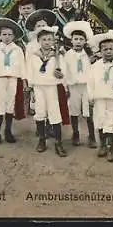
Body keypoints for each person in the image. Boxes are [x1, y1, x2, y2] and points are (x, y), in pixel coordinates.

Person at [26, 25, 70, 157]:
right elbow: (30, 72)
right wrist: (31, 87)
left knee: (54, 113)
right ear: (39, 41)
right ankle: (42, 140)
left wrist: (60, 74)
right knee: (40, 112)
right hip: (39, 87)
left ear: (53, 41)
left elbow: (64, 71)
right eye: (44, 39)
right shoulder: (34, 56)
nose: (47, 42)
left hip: (52, 87)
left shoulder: (57, 56)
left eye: (49, 39)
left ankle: (58, 142)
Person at [87, 30, 113, 162]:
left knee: (111, 122)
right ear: (100, 51)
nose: (108, 51)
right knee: (100, 121)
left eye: (111, 49)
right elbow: (90, 82)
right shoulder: (95, 66)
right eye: (105, 49)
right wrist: (91, 97)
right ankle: (102, 145)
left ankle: (111, 149)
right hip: (99, 98)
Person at [0, 18, 26, 147]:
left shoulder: (18, 50)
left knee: (10, 104)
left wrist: (24, 81)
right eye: (4, 34)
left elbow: (22, 66)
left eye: (10, 35)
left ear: (14, 36)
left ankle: (8, 130)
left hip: (13, 79)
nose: (7, 37)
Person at [63, 21, 96, 148]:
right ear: (71, 41)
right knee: (74, 110)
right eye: (75, 39)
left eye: (81, 39)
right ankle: (75, 133)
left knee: (88, 112)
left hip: (86, 86)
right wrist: (66, 87)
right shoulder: (68, 55)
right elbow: (65, 72)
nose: (78, 41)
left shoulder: (88, 55)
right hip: (73, 86)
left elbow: (92, 71)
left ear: (84, 41)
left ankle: (91, 136)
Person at [24, 9, 57, 133]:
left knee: (51, 103)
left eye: (44, 25)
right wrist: (29, 82)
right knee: (39, 104)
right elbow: (28, 64)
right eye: (39, 26)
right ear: (34, 28)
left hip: (50, 79)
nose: (42, 28)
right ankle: (40, 127)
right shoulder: (31, 45)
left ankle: (50, 125)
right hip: (37, 79)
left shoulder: (53, 43)